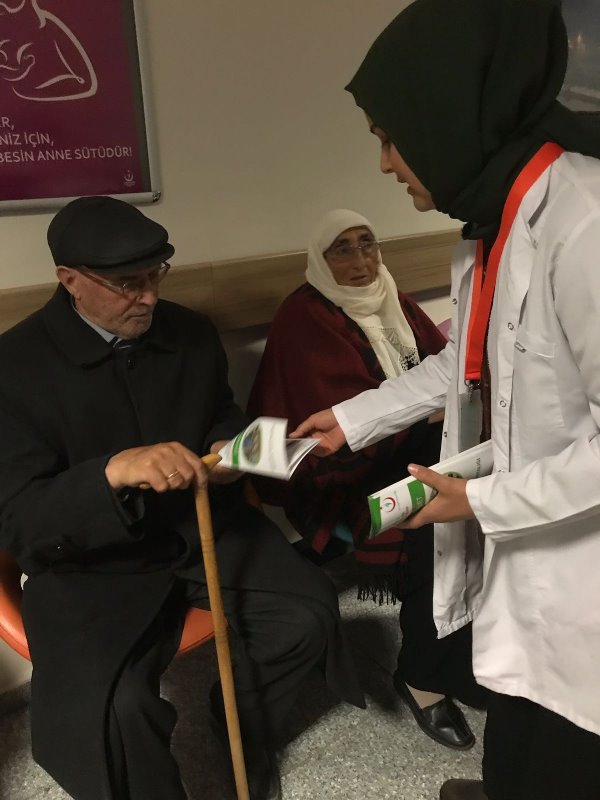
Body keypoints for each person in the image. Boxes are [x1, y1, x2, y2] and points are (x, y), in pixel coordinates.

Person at [291, 1, 600, 799]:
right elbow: (463, 365)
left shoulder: (586, 226)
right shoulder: (492, 222)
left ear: (448, 117)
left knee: (569, 747)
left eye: (390, 138)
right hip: (529, 538)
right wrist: (353, 420)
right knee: (519, 722)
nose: (386, 164)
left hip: (583, 563)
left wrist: (480, 500)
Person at [0, 196, 366, 800]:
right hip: (91, 560)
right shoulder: (13, 367)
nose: (148, 297)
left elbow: (219, 413)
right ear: (70, 280)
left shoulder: (190, 332)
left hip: (199, 525)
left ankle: (239, 723)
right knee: (114, 711)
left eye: (155, 276)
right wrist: (112, 473)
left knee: (307, 615)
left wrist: (228, 447)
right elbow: (20, 518)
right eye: (128, 284)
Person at [248, 207, 486, 750]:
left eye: (367, 243)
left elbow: (442, 367)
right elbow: (322, 418)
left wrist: (436, 417)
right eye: (343, 249)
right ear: (319, 258)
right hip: (342, 470)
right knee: (436, 531)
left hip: (412, 443)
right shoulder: (305, 316)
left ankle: (463, 650)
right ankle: (422, 677)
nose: (361, 260)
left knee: (479, 509)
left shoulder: (391, 295)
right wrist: (429, 418)